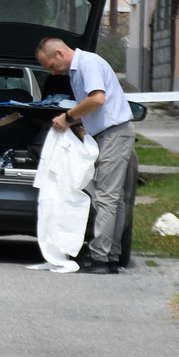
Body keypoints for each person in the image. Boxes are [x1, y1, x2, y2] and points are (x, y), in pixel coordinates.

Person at [34, 36, 136, 273]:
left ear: (59, 53)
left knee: (106, 197)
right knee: (114, 199)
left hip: (115, 134)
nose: (52, 72)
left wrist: (68, 117)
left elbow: (97, 99)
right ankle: (110, 256)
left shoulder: (88, 64)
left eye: (51, 66)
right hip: (106, 134)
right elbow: (93, 106)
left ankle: (100, 257)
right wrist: (71, 122)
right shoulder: (76, 71)